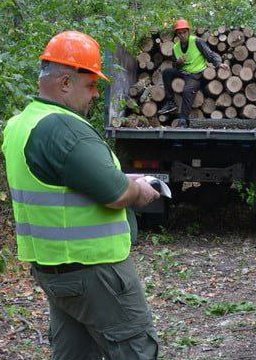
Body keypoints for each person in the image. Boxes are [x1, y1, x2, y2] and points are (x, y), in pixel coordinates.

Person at [2, 31, 160, 360]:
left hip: (53, 270)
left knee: (74, 353)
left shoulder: (21, 124)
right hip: (95, 272)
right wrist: (140, 189)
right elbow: (117, 194)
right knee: (136, 351)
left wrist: (119, 178)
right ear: (64, 82)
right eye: (90, 85)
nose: (94, 96)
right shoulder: (66, 128)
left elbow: (62, 181)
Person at [158, 18, 229, 127]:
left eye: (184, 32)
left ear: (188, 32)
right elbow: (174, 65)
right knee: (167, 72)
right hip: (183, 72)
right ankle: (170, 102)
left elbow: (210, 54)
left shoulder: (197, 41)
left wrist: (219, 64)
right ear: (177, 34)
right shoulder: (175, 47)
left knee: (187, 90)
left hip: (196, 74)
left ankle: (183, 120)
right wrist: (178, 63)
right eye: (179, 33)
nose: (182, 35)